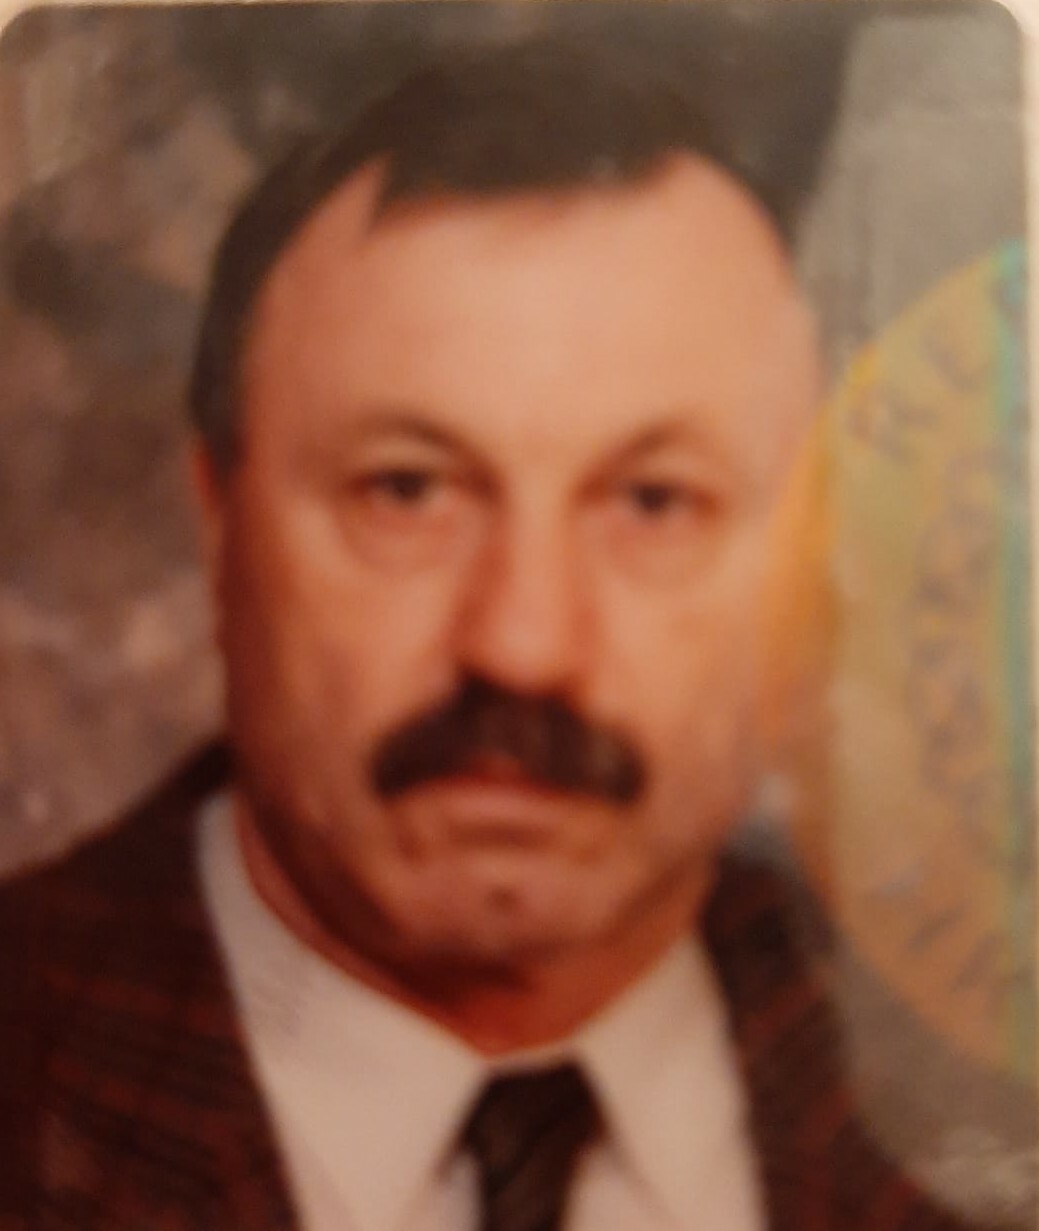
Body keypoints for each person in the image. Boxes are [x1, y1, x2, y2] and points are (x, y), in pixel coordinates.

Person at [0, 32, 984, 1231]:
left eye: (653, 501)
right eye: (406, 490)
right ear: (219, 521)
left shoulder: (967, 1121)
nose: (521, 644)